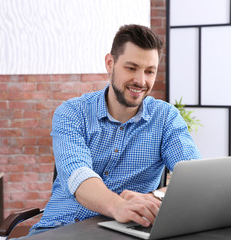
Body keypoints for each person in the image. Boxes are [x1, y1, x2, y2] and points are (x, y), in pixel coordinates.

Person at [22, 24, 201, 238]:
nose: (141, 81)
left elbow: (193, 177)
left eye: (149, 71)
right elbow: (78, 175)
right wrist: (118, 206)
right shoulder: (72, 113)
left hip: (128, 233)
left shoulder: (166, 118)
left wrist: (154, 199)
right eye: (131, 68)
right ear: (110, 63)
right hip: (61, 228)